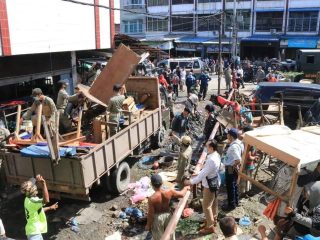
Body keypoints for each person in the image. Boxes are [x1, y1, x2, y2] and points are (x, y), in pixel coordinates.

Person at [184, 140, 221, 234]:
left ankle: (210, 227)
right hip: (215, 181)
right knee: (214, 202)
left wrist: (189, 182)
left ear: (211, 148)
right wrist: (199, 172)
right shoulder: (216, 155)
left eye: (207, 146)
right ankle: (214, 219)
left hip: (209, 185)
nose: (205, 148)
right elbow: (205, 171)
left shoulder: (211, 160)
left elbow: (201, 176)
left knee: (206, 206)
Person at [146, 174, 190, 240]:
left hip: (157, 219)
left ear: (152, 185)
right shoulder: (169, 191)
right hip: (168, 215)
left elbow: (151, 215)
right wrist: (185, 188)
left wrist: (148, 225)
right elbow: (181, 194)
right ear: (162, 183)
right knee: (170, 235)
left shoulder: (152, 199)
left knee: (160, 238)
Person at [20, 175, 58, 240]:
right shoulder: (33, 201)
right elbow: (46, 200)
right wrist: (43, 183)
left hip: (34, 232)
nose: (35, 186)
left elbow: (38, 210)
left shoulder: (27, 199)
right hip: (34, 234)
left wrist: (49, 208)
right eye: (34, 185)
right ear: (33, 189)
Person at [222, 128, 243, 211]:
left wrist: (233, 165)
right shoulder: (239, 142)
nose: (226, 135)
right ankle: (236, 201)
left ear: (230, 136)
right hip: (234, 167)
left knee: (230, 186)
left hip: (231, 168)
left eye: (228, 134)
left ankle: (231, 205)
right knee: (234, 185)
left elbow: (238, 160)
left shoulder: (234, 147)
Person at [239, 126, 258, 195]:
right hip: (251, 164)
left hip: (246, 164)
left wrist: (254, 157)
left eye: (243, 131)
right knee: (248, 177)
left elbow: (248, 156)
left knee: (244, 178)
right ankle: (247, 191)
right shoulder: (253, 140)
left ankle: (243, 192)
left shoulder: (247, 142)